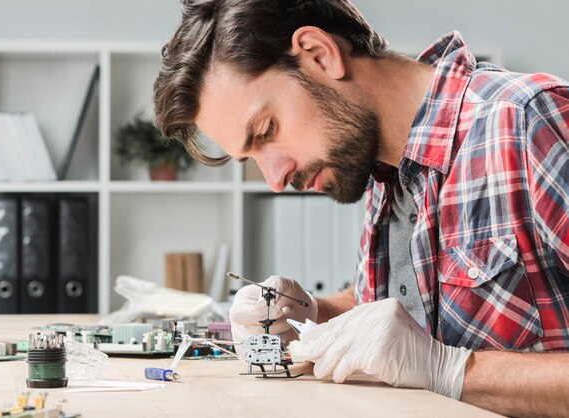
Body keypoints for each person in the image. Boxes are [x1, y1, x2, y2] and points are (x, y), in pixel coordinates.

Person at [153, 1, 569, 416]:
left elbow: (426, 357)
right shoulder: (379, 168)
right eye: (252, 157)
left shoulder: (531, 121)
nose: (275, 180)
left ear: (320, 54)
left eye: (267, 130)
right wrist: (314, 315)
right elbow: (416, 320)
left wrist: (452, 369)